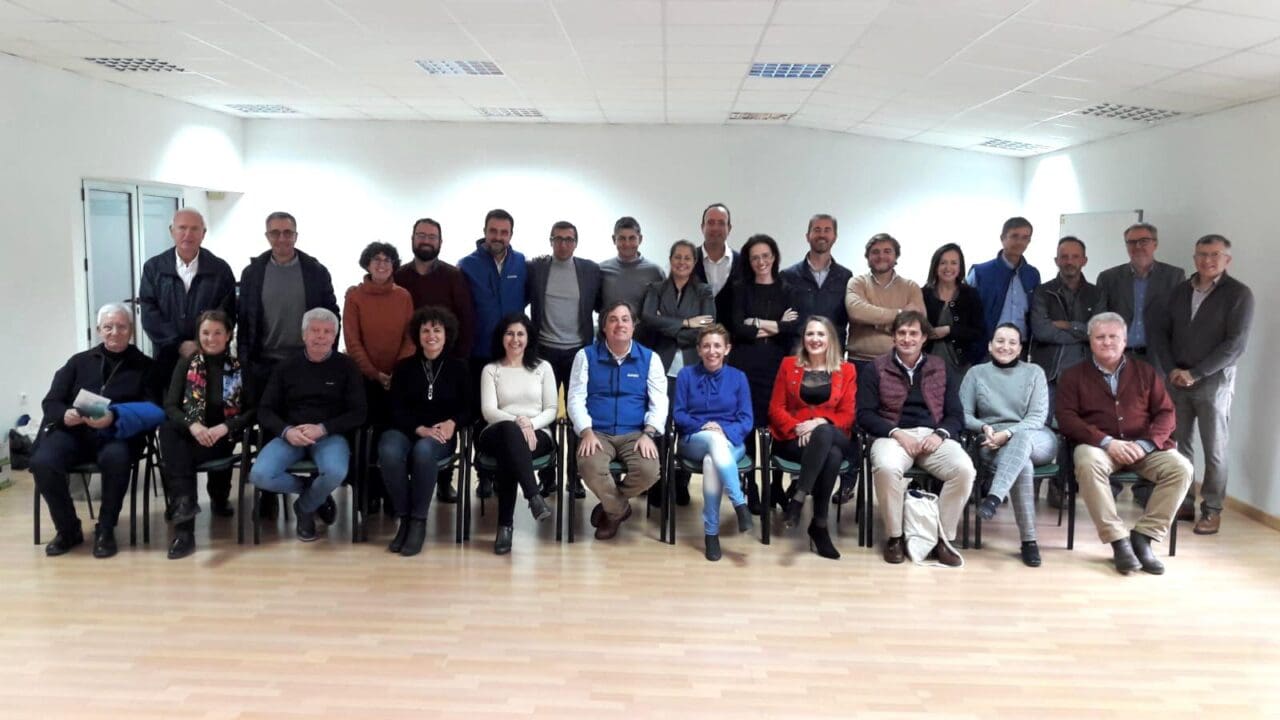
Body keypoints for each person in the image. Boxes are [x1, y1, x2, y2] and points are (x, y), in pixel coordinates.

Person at [1056, 312, 1193, 576]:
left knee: (1181, 468)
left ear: (1125, 340)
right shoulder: (1073, 376)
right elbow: (1066, 418)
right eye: (1100, 337)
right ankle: (1118, 541)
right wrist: (1106, 442)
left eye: (1113, 336)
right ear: (1090, 340)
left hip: (1144, 446)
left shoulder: (1146, 372)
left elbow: (1166, 413)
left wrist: (1146, 444)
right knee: (1087, 462)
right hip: (1098, 447)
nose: (1107, 342)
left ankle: (1144, 537)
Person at [1151, 234, 1254, 535]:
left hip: (1213, 381)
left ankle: (1212, 509)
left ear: (1227, 259)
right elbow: (1160, 333)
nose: (1207, 260)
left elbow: (1235, 345)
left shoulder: (1239, 294)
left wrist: (1196, 373)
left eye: (1215, 254)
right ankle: (1183, 502)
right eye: (1202, 254)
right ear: (1194, 257)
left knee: (1214, 448)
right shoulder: (1179, 291)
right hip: (1176, 379)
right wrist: (1171, 369)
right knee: (1178, 445)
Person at [237, 211, 339, 519]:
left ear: (296, 235)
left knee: (309, 425)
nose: (282, 238)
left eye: (287, 232)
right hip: (264, 362)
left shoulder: (315, 271)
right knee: (271, 428)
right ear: (267, 236)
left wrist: (326, 356)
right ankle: (271, 494)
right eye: (275, 233)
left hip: (305, 362)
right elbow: (245, 320)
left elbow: (332, 314)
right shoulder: (253, 272)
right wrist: (245, 362)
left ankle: (318, 493)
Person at [33, 304, 155, 559]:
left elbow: (152, 410)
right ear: (99, 330)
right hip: (73, 433)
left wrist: (114, 417)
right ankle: (68, 529)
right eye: (108, 327)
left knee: (117, 458)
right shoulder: (78, 362)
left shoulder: (146, 366)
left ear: (131, 330)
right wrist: (64, 414)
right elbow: (51, 401)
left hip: (117, 434)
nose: (115, 332)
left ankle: (106, 529)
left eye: (121, 327)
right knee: (43, 462)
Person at [858, 310, 975, 566]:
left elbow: (956, 415)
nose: (907, 339)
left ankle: (942, 538)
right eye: (901, 333)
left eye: (913, 333)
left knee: (964, 470)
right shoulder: (875, 368)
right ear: (893, 337)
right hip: (892, 435)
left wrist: (940, 434)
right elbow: (864, 414)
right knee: (887, 467)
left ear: (924, 338)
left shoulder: (940, 367)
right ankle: (895, 537)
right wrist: (897, 433)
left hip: (933, 436)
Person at [249, 308, 366, 543]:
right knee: (260, 475)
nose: (320, 336)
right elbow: (265, 410)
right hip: (291, 435)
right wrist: (287, 431)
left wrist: (323, 428)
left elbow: (359, 413)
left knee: (335, 472)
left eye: (327, 332)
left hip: (329, 435)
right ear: (304, 334)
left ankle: (304, 508)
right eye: (315, 330)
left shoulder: (347, 366)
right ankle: (313, 492)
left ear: (334, 337)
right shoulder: (285, 367)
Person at [1094, 222, 1185, 507]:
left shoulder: (1174, 276)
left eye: (1144, 241)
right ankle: (1112, 484)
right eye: (1132, 242)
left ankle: (1146, 488)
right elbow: (1101, 320)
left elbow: (1179, 321)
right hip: (1119, 358)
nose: (1138, 247)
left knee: (1153, 419)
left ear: (1155, 243)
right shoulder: (1109, 277)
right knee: (1113, 415)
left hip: (1157, 358)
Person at [567, 301, 668, 541]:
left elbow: (659, 401)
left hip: (635, 433)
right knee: (589, 466)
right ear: (604, 327)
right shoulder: (585, 356)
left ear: (633, 326)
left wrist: (649, 433)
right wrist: (586, 431)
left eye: (625, 319)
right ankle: (619, 510)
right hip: (597, 432)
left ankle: (609, 509)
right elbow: (575, 398)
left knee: (649, 471)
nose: (619, 324)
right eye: (613, 319)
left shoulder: (650, 358)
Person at [158, 310, 254, 559]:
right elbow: (171, 406)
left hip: (221, 438)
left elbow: (252, 411)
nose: (211, 338)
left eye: (217, 333)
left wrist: (225, 427)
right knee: (169, 431)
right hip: (191, 434)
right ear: (198, 335)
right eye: (205, 333)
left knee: (179, 457)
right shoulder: (186, 363)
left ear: (228, 335)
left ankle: (185, 514)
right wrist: (193, 426)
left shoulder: (239, 368)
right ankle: (185, 530)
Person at [959, 324, 1057, 567]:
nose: (1006, 346)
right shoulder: (976, 373)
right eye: (1000, 341)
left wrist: (1008, 433)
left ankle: (994, 497)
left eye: (1012, 342)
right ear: (990, 345)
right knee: (1023, 466)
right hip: (992, 440)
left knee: (1021, 439)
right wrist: (984, 428)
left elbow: (1037, 417)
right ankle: (1029, 541)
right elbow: (964, 415)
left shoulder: (1034, 372)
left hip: (1036, 437)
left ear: (1020, 348)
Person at [379, 306, 472, 556]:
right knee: (388, 451)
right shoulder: (404, 367)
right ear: (417, 335)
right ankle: (405, 518)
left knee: (423, 452)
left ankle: (418, 521)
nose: (431, 336)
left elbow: (469, 408)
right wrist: (419, 428)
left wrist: (453, 422)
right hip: (406, 429)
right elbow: (394, 408)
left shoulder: (459, 367)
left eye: (437, 330)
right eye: (425, 331)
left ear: (446, 334)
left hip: (440, 434)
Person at [767, 316, 858, 560]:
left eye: (820, 334)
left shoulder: (847, 370)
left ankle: (798, 497)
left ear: (830, 339)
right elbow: (776, 408)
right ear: (803, 338)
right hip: (794, 438)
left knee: (825, 433)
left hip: (833, 432)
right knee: (832, 455)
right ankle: (819, 525)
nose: (815, 339)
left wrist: (819, 423)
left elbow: (848, 414)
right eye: (810, 334)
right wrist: (798, 427)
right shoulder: (788, 365)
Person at [526, 221, 601, 499]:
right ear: (550, 241)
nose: (563, 244)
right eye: (557, 239)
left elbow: (601, 305)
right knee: (544, 413)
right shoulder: (537, 268)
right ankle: (548, 478)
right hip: (544, 351)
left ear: (576, 243)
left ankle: (575, 477)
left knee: (577, 416)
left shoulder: (590, 270)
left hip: (578, 352)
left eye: (569, 239)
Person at [458, 208, 528, 501]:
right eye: (493, 231)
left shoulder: (521, 263)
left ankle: (504, 473)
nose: (498, 237)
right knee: (481, 415)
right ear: (485, 231)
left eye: (504, 232)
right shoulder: (467, 265)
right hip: (479, 353)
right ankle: (484, 474)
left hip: (512, 356)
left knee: (508, 412)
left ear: (511, 234)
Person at [728, 234, 799, 514]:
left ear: (774, 257)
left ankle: (775, 485)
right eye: (755, 257)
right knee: (748, 426)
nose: (761, 262)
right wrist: (777, 324)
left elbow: (794, 328)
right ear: (748, 260)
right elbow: (738, 328)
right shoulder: (740, 289)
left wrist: (757, 322)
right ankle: (751, 487)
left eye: (765, 256)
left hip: (777, 367)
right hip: (745, 365)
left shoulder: (788, 289)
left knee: (777, 426)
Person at [641, 239, 715, 507]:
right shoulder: (656, 288)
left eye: (687, 258)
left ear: (694, 263)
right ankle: (657, 481)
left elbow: (707, 328)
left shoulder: (704, 291)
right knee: (659, 423)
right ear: (670, 259)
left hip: (693, 369)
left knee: (686, 425)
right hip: (661, 366)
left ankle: (680, 482)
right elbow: (648, 319)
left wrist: (670, 328)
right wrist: (686, 322)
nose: (682, 262)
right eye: (677, 257)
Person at [343, 241, 414, 514]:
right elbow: (352, 341)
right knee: (365, 441)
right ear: (367, 264)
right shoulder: (355, 297)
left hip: (398, 380)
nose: (382, 264)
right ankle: (368, 495)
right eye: (376, 259)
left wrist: (397, 372)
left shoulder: (404, 296)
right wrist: (375, 373)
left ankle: (392, 495)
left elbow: (410, 338)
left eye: (387, 259)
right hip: (365, 380)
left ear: (394, 265)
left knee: (393, 439)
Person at [673, 323, 754, 561]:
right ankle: (739, 503)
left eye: (717, 346)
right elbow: (678, 414)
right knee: (713, 439)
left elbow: (746, 419)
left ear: (727, 349)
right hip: (694, 439)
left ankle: (711, 534)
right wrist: (704, 426)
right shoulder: (686, 375)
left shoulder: (738, 377)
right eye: (706, 346)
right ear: (699, 350)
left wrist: (723, 430)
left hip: (730, 442)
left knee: (712, 461)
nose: (712, 351)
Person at [477, 314, 557, 554]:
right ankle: (533, 496)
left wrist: (530, 424)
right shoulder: (491, 370)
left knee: (510, 454)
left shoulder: (543, 368)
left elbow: (551, 409)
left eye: (520, 334)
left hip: (537, 432)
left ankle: (505, 527)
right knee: (510, 435)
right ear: (501, 338)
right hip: (496, 431)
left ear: (528, 337)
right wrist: (518, 423)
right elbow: (489, 411)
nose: (515, 339)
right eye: (509, 333)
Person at [137, 208, 236, 401]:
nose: (188, 234)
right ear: (171, 231)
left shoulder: (220, 269)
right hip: (168, 356)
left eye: (194, 229)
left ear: (203, 233)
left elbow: (227, 313)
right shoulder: (154, 268)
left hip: (210, 358)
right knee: (171, 407)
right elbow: (149, 313)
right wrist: (178, 344)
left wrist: (201, 343)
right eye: (182, 228)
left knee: (206, 407)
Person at [1029, 236, 1103, 401]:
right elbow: (1042, 331)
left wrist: (1067, 325)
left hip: (1086, 373)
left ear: (1084, 260)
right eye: (1064, 257)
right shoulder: (1043, 291)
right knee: (1044, 417)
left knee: (1079, 418)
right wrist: (1082, 331)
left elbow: (1098, 331)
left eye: (1075, 256)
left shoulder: (1097, 293)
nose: (1069, 261)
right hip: (1049, 374)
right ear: (1056, 260)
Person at [393, 217, 475, 359]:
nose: (426, 241)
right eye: (421, 235)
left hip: (446, 360)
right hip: (405, 360)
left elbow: (467, 321)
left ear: (440, 242)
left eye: (432, 237)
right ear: (412, 238)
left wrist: (459, 359)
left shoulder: (454, 277)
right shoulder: (398, 276)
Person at [845, 233, 925, 365]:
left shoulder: (911, 287)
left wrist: (873, 321)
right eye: (875, 252)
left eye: (887, 251)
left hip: (900, 362)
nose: (881, 256)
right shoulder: (857, 283)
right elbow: (857, 313)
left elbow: (918, 323)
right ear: (867, 257)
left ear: (896, 256)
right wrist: (900, 314)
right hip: (861, 361)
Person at [967, 217, 1041, 349]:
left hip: (1020, 347)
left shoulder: (1032, 275)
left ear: (1029, 241)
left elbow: (1035, 312)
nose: (1019, 242)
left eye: (1025, 238)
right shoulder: (980, 273)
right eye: (1014, 236)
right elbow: (965, 311)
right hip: (986, 347)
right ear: (1002, 238)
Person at [781, 214, 852, 351]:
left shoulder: (845, 277)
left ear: (835, 237)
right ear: (807, 236)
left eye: (827, 230)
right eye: (817, 230)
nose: (822, 235)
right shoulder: (788, 276)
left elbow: (847, 318)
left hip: (833, 352)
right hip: (797, 352)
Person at [921, 243, 984, 375]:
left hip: (960, 365)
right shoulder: (923, 294)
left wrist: (949, 330)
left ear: (960, 267)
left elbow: (979, 332)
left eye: (954, 263)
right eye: (943, 263)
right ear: (935, 266)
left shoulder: (970, 294)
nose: (948, 268)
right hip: (926, 365)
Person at [599, 216, 665, 342]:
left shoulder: (655, 272)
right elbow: (597, 305)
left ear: (640, 239)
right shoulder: (601, 270)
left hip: (645, 342)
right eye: (622, 238)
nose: (627, 244)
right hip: (608, 341)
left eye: (632, 238)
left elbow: (664, 309)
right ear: (614, 239)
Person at [692, 203, 742, 320]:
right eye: (710, 222)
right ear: (702, 227)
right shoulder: (687, 261)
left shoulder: (743, 263)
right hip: (694, 331)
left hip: (733, 331)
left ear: (729, 228)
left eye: (721, 223)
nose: (715, 228)